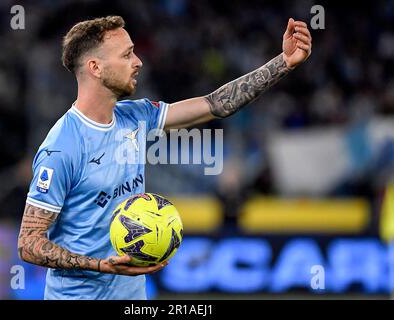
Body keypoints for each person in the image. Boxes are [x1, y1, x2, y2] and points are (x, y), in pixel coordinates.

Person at [18, 15, 312, 300]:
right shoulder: (62, 148)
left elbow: (215, 104)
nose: (138, 62)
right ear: (95, 67)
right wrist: (98, 265)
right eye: (127, 55)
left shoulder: (135, 115)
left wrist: (283, 63)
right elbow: (28, 243)